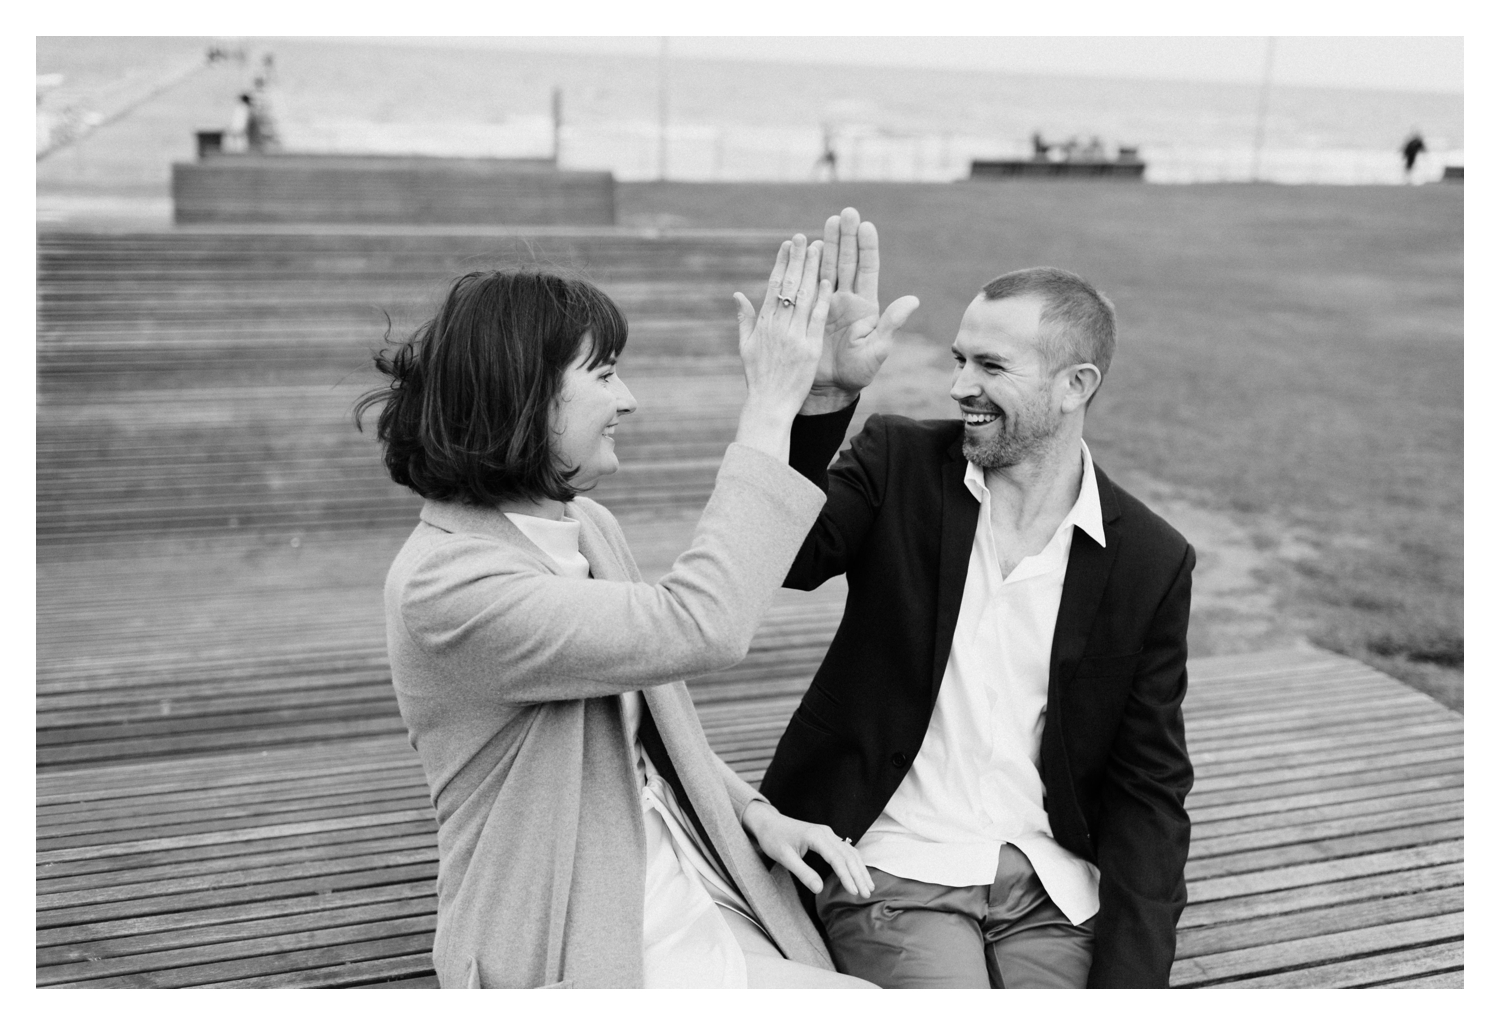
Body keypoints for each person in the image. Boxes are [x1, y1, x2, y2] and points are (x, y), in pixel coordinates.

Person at [355, 238, 880, 989]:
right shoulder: (448, 588)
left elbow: (644, 725)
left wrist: (752, 811)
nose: (627, 398)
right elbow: (704, 622)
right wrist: (769, 400)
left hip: (680, 873)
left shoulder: (585, 524)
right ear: (521, 394)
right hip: (576, 932)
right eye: (602, 374)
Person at [759, 208, 1195, 988]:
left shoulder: (1150, 560)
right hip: (892, 863)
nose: (961, 386)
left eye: (990, 367)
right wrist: (821, 401)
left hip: (1048, 886)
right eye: (960, 360)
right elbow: (781, 557)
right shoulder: (898, 463)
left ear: (1075, 386)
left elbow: (1148, 789)